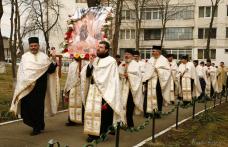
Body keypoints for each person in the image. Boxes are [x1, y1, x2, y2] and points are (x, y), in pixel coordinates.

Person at [10, 37, 60, 136]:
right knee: (27, 106)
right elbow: (21, 72)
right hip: (27, 87)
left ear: (38, 46)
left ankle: (37, 127)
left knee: (38, 107)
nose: (33, 47)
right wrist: (22, 83)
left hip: (40, 87)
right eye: (31, 46)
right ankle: (38, 124)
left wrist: (54, 60)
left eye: (35, 45)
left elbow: (50, 70)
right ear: (29, 46)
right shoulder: (25, 57)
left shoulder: (44, 57)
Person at [81, 41, 124, 142]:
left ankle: (101, 134)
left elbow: (110, 78)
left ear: (106, 49)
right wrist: (91, 64)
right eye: (98, 47)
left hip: (105, 92)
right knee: (92, 112)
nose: (98, 49)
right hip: (93, 91)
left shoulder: (111, 61)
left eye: (101, 47)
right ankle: (92, 133)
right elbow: (88, 74)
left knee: (104, 115)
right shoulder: (95, 60)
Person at [143, 45, 171, 118]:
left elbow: (168, 71)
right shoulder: (151, 60)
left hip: (158, 81)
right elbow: (147, 70)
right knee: (148, 96)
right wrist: (145, 80)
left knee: (157, 97)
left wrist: (158, 70)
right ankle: (148, 112)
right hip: (150, 81)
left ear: (158, 52)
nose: (152, 52)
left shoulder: (164, 60)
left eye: (154, 51)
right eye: (152, 51)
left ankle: (156, 113)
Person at [119, 49, 144, 127]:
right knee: (121, 106)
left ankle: (130, 124)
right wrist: (121, 75)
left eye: (128, 54)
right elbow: (117, 73)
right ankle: (121, 122)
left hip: (131, 89)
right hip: (122, 88)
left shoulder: (135, 65)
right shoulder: (121, 64)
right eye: (125, 54)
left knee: (129, 107)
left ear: (132, 56)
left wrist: (129, 76)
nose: (126, 55)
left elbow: (138, 77)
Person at [64, 58, 87, 126]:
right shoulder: (72, 64)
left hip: (81, 86)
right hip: (72, 86)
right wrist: (67, 87)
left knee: (81, 103)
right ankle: (71, 120)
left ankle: (82, 119)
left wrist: (81, 74)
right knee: (72, 104)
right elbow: (69, 76)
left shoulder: (85, 63)